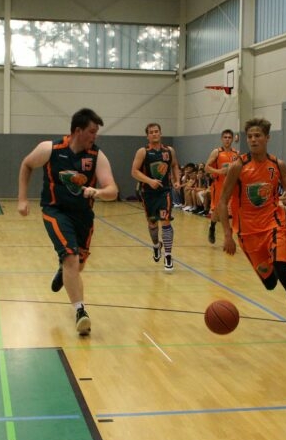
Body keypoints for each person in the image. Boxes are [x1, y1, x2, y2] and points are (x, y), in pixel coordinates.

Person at [216, 117, 286, 351]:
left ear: (267, 138)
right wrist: (227, 235)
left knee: (284, 273)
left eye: (258, 136)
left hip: (274, 225)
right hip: (248, 232)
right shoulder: (238, 166)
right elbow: (223, 200)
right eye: (250, 136)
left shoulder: (277, 164)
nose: (253, 140)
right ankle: (274, 263)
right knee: (270, 283)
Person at [17, 108, 118, 336]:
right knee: (71, 258)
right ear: (78, 131)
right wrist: (22, 198)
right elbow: (26, 164)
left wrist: (98, 192)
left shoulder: (97, 156)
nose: (95, 136)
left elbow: (113, 189)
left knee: (76, 265)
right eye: (92, 131)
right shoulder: (50, 149)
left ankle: (63, 270)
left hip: (83, 216)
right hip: (55, 211)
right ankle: (81, 312)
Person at [131, 122, 181, 272]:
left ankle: (168, 255)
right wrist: (149, 181)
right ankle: (156, 245)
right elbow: (134, 171)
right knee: (152, 223)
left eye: (156, 131)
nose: (154, 134)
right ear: (147, 136)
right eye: (151, 132)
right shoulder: (143, 152)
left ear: (161, 133)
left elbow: (175, 165)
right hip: (148, 193)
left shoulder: (169, 150)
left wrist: (177, 180)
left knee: (166, 221)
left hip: (165, 191)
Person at [205, 129, 239, 244]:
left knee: (230, 213)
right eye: (225, 137)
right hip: (219, 185)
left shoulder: (236, 153)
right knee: (217, 212)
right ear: (221, 139)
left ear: (232, 139)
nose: (227, 139)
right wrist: (219, 171)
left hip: (232, 186)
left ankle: (228, 238)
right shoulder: (217, 152)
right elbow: (206, 167)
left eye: (229, 137)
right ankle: (212, 226)